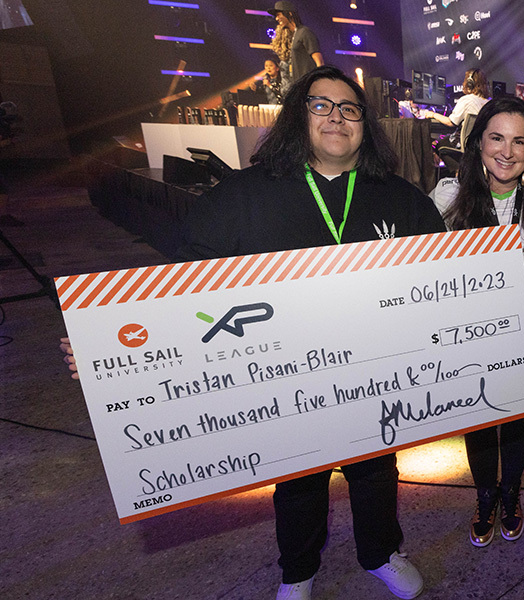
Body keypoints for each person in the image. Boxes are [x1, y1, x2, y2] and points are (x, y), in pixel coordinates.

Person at [62, 66, 443, 600]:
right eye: (321, 105)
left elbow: (444, 290)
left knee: (377, 466)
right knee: (297, 475)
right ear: (295, 117)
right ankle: (298, 569)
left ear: (366, 125)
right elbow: (179, 283)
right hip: (285, 377)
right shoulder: (243, 196)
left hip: (375, 376)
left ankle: (380, 552)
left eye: (349, 108)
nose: (337, 117)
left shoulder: (404, 201)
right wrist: (103, 342)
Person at [429, 96, 524, 547]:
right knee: (481, 425)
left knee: (518, 423)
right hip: (468, 341)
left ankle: (511, 494)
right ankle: (485, 497)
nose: (507, 151)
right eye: (497, 138)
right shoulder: (447, 197)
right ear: (478, 142)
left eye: (519, 141)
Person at [422, 68, 490, 135]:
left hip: (466, 142)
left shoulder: (466, 100)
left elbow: (451, 122)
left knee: (436, 143)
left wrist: (433, 114)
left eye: (465, 80)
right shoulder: (489, 102)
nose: (463, 83)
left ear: (470, 84)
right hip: (482, 143)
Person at [268, 1, 323, 82]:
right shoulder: (295, 35)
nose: (276, 18)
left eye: (278, 15)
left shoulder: (304, 32)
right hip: (299, 84)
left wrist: (320, 82)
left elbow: (319, 61)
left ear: (289, 13)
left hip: (309, 83)